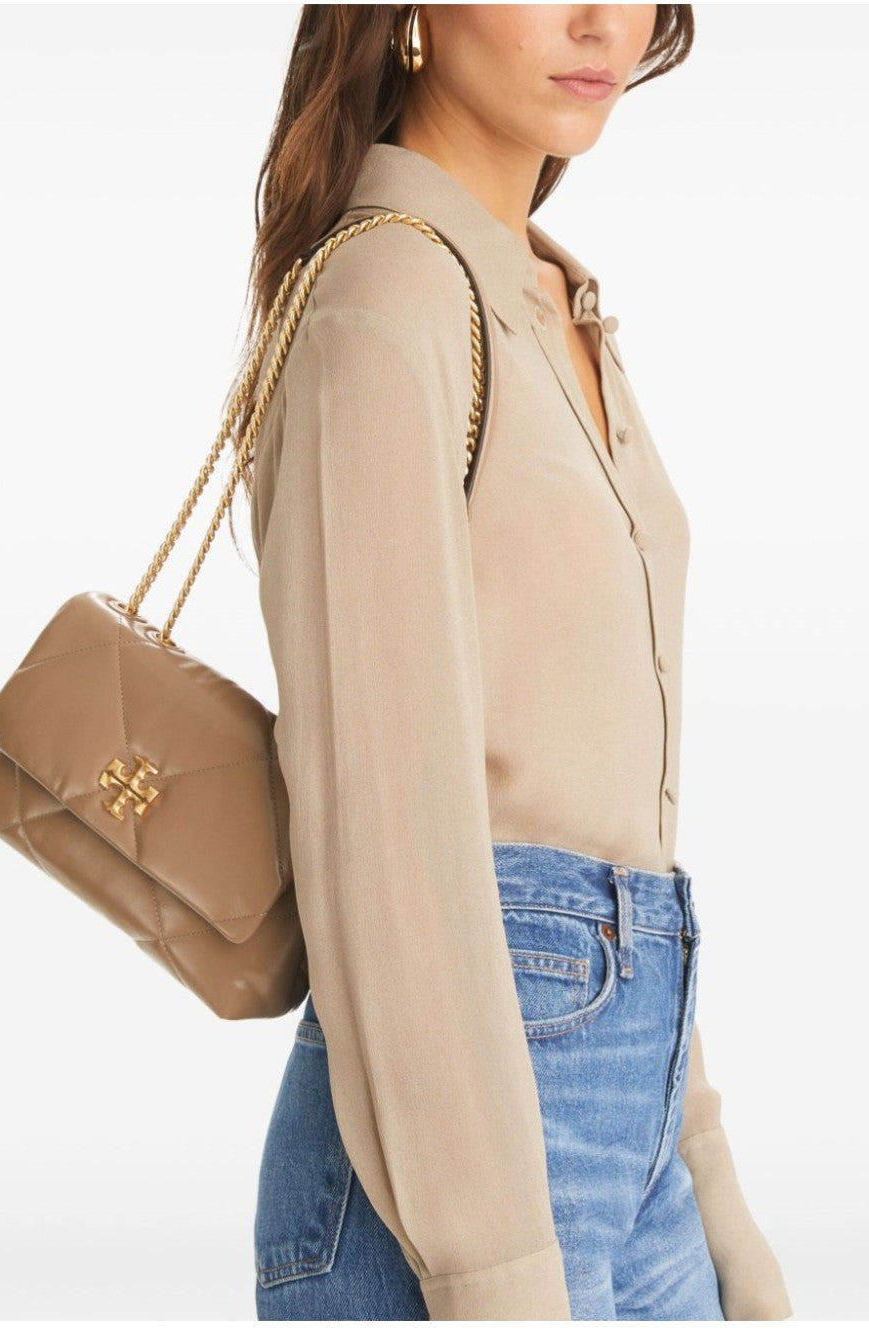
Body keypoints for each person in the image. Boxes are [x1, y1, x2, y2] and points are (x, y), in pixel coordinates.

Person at [241, 3, 793, 1322]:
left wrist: (709, 1186)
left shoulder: (549, 297)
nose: (603, 23)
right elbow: (388, 840)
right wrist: (494, 1277)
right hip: (451, 1171)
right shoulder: (388, 296)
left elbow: (610, 823)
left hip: (638, 1130)